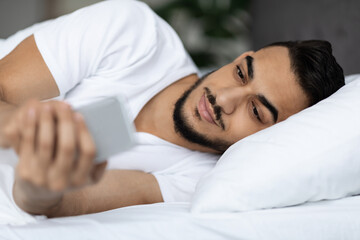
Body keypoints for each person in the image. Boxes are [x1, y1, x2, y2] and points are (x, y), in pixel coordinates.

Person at [0, 0, 344, 218]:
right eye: (241, 73)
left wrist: (37, 188)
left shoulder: (201, 179)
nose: (223, 99)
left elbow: (68, 203)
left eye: (256, 112)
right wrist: (33, 135)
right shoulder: (134, 33)